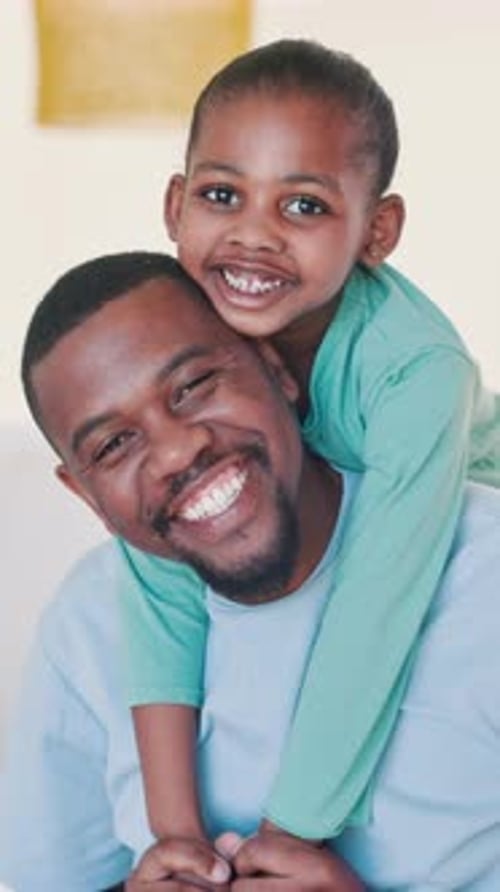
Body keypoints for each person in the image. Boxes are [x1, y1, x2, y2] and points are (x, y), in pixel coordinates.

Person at [2, 250, 500, 892]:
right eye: (114, 445)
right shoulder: (87, 622)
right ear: (85, 496)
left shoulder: (481, 566)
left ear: (276, 371)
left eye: (193, 386)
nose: (179, 449)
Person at [115, 38, 500, 853]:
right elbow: (157, 569)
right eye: (223, 194)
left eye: (304, 206)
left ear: (378, 231)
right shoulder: (183, 325)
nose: (253, 237)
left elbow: (378, 605)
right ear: (176, 205)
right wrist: (175, 832)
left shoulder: (416, 375)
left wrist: (294, 827)